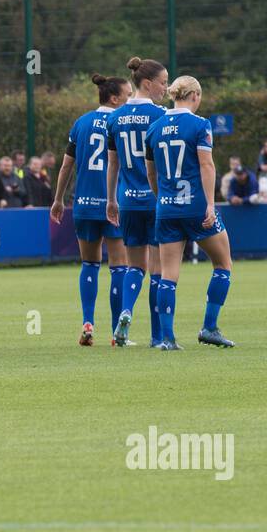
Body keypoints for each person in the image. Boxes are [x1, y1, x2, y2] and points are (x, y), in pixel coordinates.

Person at [144, 75, 235, 349]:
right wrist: (210, 203)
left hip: (167, 209)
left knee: (167, 275)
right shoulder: (200, 124)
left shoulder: (155, 127)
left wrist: (161, 198)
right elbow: (207, 166)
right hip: (195, 206)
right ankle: (209, 327)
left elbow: (151, 172)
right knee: (223, 264)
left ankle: (167, 339)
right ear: (194, 95)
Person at [51, 73, 132, 346]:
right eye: (128, 95)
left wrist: (59, 199)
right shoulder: (121, 122)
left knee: (89, 264)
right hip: (114, 204)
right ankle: (116, 332)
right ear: (114, 98)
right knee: (119, 266)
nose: (131, 100)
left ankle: (87, 322)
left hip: (83, 204)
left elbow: (66, 166)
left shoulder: (81, 123)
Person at [107, 55, 168, 347]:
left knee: (135, 267)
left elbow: (113, 164)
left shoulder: (114, 118)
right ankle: (158, 338)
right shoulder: (160, 116)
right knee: (159, 270)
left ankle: (127, 311)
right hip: (156, 201)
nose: (165, 89)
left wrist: (110, 200)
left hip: (127, 200)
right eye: (163, 83)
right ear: (147, 83)